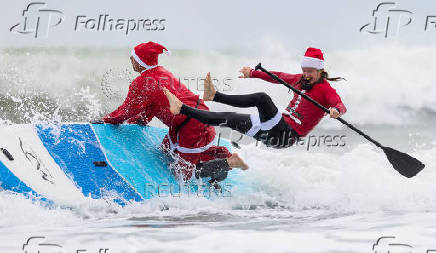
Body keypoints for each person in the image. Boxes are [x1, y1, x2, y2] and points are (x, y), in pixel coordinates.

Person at [102, 42, 248, 186]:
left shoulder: (141, 82)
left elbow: (126, 110)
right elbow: (153, 105)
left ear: (141, 61)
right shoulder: (162, 72)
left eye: (133, 57)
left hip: (190, 125)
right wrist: (139, 121)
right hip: (198, 115)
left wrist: (106, 120)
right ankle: (216, 156)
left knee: (183, 175)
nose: (131, 60)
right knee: (166, 150)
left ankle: (226, 162)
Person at [163, 47, 347, 148]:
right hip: (272, 131)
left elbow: (339, 103)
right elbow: (279, 77)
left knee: (261, 98)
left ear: (320, 70)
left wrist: (336, 110)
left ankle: (215, 95)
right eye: (304, 70)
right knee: (227, 118)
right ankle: (181, 108)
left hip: (286, 135)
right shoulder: (299, 80)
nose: (306, 74)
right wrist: (252, 73)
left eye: (310, 71)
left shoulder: (325, 89)